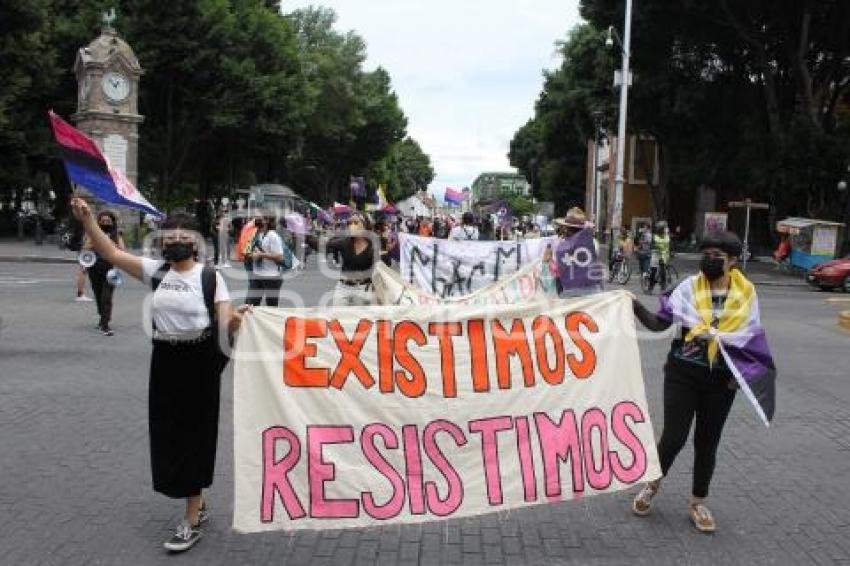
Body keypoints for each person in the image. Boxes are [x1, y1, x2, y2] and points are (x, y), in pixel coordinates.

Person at [69, 197, 250, 553]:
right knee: (168, 433)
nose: (174, 242)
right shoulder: (157, 271)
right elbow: (111, 252)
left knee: (194, 434)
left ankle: (192, 517)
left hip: (199, 362)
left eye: (181, 236)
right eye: (168, 238)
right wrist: (88, 221)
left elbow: (224, 320)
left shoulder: (211, 278)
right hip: (165, 359)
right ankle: (195, 497)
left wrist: (241, 319)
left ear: (195, 242)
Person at [630, 231, 772, 534]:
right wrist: (634, 305)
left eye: (716, 256)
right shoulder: (686, 288)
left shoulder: (746, 295)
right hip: (682, 374)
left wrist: (737, 378)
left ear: (732, 261)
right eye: (705, 254)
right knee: (674, 438)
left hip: (721, 382)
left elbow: (751, 339)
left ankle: (697, 502)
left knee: (707, 443)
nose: (708, 260)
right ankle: (652, 484)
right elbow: (659, 323)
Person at [82, 210, 126, 336]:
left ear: (112, 223)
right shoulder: (93, 234)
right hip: (95, 268)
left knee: (106, 297)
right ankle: (102, 318)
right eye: (102, 221)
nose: (105, 223)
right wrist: (96, 239)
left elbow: (122, 250)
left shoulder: (116, 234)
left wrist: (109, 242)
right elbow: (86, 248)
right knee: (98, 294)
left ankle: (105, 324)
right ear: (98, 222)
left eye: (108, 221)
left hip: (111, 269)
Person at [327, 213, 378, 306]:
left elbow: (379, 269)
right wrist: (304, 236)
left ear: (365, 225)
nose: (352, 226)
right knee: (338, 318)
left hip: (362, 289)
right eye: (350, 223)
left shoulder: (373, 247)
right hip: (343, 288)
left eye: (356, 222)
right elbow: (325, 244)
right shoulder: (344, 242)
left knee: (359, 319)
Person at [245, 214, 289, 307]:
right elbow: (250, 251)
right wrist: (252, 254)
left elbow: (280, 257)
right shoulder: (259, 234)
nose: (256, 219)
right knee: (251, 305)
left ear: (267, 220)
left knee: (271, 306)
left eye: (259, 217)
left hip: (272, 277)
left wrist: (261, 254)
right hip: (257, 275)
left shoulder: (273, 236)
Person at [647, 221, 671, 293]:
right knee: (653, 271)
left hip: (664, 255)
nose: (667, 229)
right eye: (665, 228)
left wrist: (672, 251)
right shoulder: (655, 237)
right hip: (656, 255)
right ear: (661, 229)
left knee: (663, 271)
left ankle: (663, 287)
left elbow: (669, 245)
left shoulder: (667, 236)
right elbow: (651, 245)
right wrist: (655, 247)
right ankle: (650, 287)